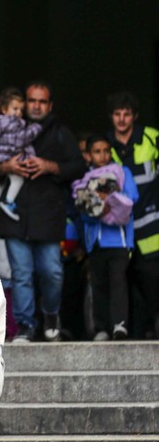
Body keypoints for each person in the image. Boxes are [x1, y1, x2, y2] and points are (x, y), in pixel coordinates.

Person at [0, 80, 85, 343]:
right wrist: (6, 167)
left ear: (49, 105)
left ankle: (50, 316)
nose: (36, 106)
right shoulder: (7, 125)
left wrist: (49, 166)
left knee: (52, 271)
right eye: (31, 100)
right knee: (21, 275)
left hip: (48, 216)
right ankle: (25, 326)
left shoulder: (60, 133)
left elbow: (79, 167)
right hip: (14, 216)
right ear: (24, 103)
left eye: (41, 101)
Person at [72, 134, 138, 340]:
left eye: (106, 151)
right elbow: (83, 212)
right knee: (99, 284)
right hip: (96, 242)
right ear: (88, 156)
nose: (103, 156)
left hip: (119, 241)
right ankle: (101, 328)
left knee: (118, 282)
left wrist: (109, 196)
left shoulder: (122, 172)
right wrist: (95, 205)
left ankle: (119, 325)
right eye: (97, 152)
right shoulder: (84, 180)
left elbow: (132, 198)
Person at [106, 91, 159, 338]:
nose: (122, 119)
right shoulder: (104, 147)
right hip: (117, 231)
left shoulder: (152, 138)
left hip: (151, 226)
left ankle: (151, 329)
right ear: (111, 117)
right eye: (117, 114)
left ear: (134, 116)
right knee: (120, 284)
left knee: (152, 283)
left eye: (127, 114)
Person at [0, 86, 42, 221]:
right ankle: (8, 202)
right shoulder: (13, 123)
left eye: (21, 110)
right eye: (15, 109)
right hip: (7, 157)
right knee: (17, 179)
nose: (18, 113)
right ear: (4, 109)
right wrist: (36, 127)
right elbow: (21, 139)